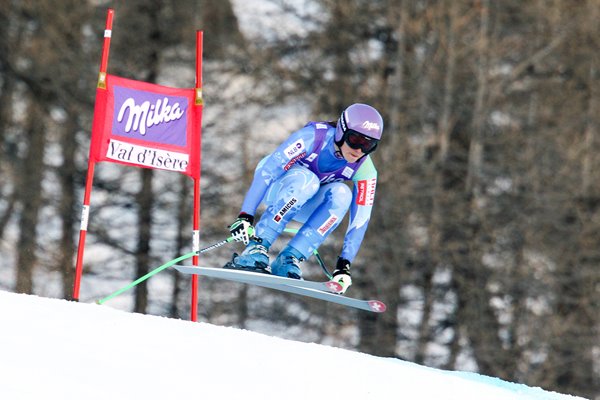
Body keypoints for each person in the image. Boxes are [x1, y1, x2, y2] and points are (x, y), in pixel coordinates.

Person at [225, 103, 383, 294]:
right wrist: (245, 215)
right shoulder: (313, 137)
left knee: (343, 194)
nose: (359, 149)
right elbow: (268, 172)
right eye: (355, 139)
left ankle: (290, 257)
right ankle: (257, 245)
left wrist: (344, 265)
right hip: (274, 186)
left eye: (368, 144)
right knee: (308, 181)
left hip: (304, 202)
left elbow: (360, 220)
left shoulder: (365, 168)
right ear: (341, 131)